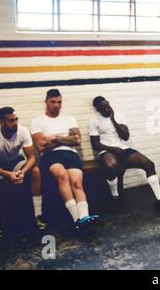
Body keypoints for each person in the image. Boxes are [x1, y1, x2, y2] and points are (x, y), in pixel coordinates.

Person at [89, 96, 160, 214]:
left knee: (148, 164)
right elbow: (95, 144)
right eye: (103, 108)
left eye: (108, 105)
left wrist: (113, 119)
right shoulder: (94, 121)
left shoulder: (119, 116)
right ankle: (115, 197)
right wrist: (113, 148)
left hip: (123, 148)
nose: (107, 109)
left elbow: (125, 136)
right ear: (97, 109)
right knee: (111, 165)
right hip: (107, 150)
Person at [31, 89, 99, 230]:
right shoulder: (37, 121)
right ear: (46, 102)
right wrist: (66, 138)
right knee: (62, 175)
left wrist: (55, 137)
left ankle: (84, 217)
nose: (56, 105)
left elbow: (77, 140)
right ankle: (76, 219)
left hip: (70, 154)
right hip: (50, 156)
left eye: (59, 102)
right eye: (53, 102)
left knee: (77, 183)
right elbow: (41, 146)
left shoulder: (69, 118)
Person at [0, 107, 46, 237]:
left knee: (35, 170)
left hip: (15, 162)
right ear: (1, 121)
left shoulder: (22, 131)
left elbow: (32, 157)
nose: (15, 123)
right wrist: (8, 174)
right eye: (11, 121)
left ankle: (38, 215)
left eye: (16, 119)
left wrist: (22, 172)